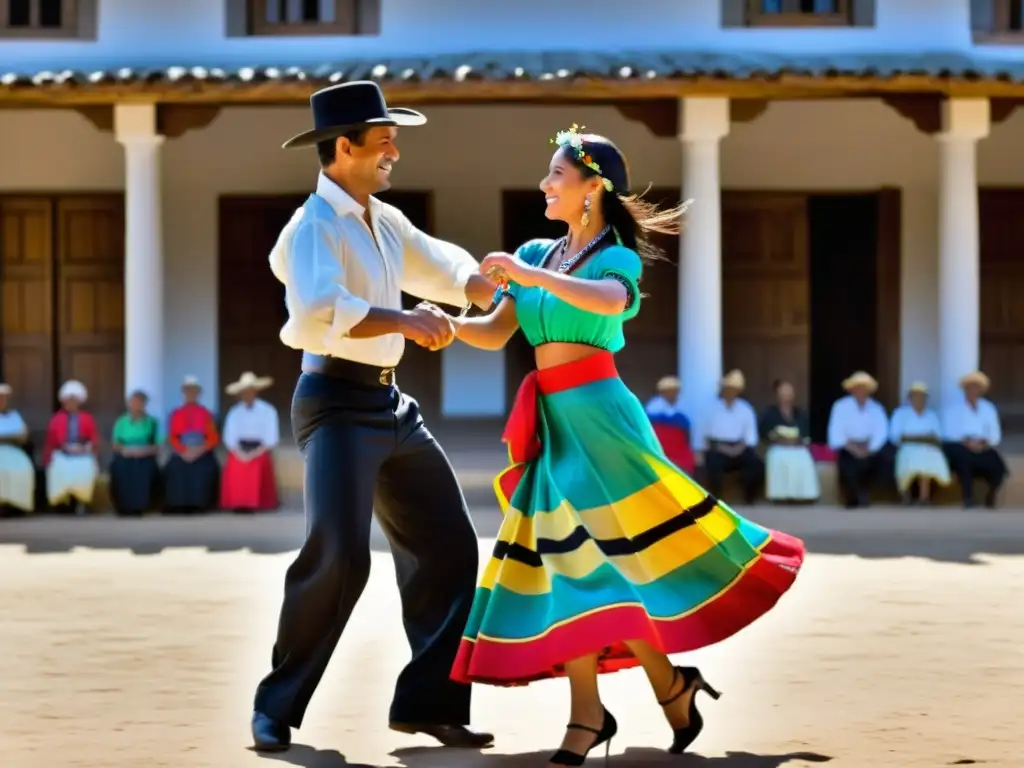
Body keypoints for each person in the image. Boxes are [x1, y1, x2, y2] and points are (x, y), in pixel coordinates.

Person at [448, 125, 805, 766]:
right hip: (554, 424)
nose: (544, 184)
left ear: (592, 188)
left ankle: (609, 709)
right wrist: (437, 325)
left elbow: (610, 305)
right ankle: (644, 694)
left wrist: (527, 273)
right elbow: (495, 331)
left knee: (606, 559)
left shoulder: (615, 259)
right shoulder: (538, 251)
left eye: (556, 174)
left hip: (605, 421)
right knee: (574, 560)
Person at [251, 81, 498, 753]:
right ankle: (276, 705)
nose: (394, 147)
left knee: (449, 546)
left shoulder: (382, 219)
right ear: (343, 146)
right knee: (339, 556)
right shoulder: (311, 227)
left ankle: (428, 703)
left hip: (392, 405)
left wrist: (502, 283)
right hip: (333, 404)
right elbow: (317, 314)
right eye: (382, 136)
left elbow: (441, 267)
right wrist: (407, 321)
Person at [941, 371, 1008, 508]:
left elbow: (994, 433)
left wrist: (985, 443)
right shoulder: (954, 409)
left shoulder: (988, 408)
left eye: (976, 388)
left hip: (982, 445)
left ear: (981, 391)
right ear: (965, 389)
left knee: (998, 465)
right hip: (960, 444)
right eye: (970, 387)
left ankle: (991, 496)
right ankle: (968, 498)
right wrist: (966, 442)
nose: (973, 391)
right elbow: (948, 432)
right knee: (963, 459)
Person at [826, 371, 892, 509]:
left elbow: (881, 432)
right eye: (858, 388)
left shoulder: (876, 408)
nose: (861, 391)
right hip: (848, 447)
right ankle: (854, 497)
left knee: (884, 460)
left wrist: (869, 448)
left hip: (870, 448)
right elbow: (836, 431)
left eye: (864, 388)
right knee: (848, 464)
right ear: (852, 389)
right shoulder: (841, 406)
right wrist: (852, 447)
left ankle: (866, 493)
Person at [699, 369, 764, 504]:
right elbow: (703, 434)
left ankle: (749, 499)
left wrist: (737, 449)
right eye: (727, 388)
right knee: (712, 465)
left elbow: (751, 437)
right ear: (723, 389)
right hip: (718, 448)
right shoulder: (711, 408)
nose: (730, 392)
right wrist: (718, 448)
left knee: (757, 465)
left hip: (740, 447)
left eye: (733, 389)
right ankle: (716, 500)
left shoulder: (746, 409)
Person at [219, 372, 280, 513]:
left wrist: (255, 452)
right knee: (235, 462)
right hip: (239, 448)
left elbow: (271, 437)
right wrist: (240, 452)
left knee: (256, 464)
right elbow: (230, 437)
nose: (247, 394)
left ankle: (256, 503)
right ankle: (238, 503)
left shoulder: (268, 410)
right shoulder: (234, 412)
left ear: (255, 392)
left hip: (260, 448)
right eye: (244, 392)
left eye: (250, 391)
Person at [163, 375, 220, 514]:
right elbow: (172, 437)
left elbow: (213, 438)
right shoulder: (176, 413)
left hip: (201, 450)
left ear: (199, 394)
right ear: (183, 393)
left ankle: (200, 505)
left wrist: (199, 450)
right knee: (173, 468)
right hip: (182, 451)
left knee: (205, 468)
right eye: (188, 391)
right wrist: (183, 451)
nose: (191, 394)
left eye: (194, 391)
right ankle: (177, 505)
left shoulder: (206, 414)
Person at [889, 381, 950, 506]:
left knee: (928, 461)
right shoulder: (900, 414)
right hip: (907, 448)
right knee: (908, 460)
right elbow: (896, 436)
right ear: (910, 398)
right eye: (916, 396)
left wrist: (915, 437)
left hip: (928, 449)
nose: (919, 399)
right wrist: (922, 437)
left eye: (922, 397)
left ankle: (924, 497)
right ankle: (905, 495)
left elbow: (937, 437)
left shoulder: (931, 415)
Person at [43, 379, 100, 514]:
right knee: (59, 468)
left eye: (74, 400)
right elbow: (52, 441)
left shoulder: (87, 418)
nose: (71, 404)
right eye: (68, 400)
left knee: (85, 468)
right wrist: (64, 447)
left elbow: (94, 439)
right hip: (62, 453)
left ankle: (81, 501)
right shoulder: (56, 418)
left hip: (83, 453)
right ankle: (63, 501)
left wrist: (87, 447)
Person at [760, 379, 819, 503]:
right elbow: (765, 432)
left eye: (788, 392)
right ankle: (780, 496)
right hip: (778, 446)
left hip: (797, 447)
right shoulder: (770, 413)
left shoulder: (800, 413)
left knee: (804, 456)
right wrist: (777, 438)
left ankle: (804, 496)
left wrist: (797, 440)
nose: (786, 395)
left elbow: (805, 434)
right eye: (783, 392)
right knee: (778, 456)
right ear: (777, 394)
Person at [109, 390, 162, 517]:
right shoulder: (121, 422)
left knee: (144, 469)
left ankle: (141, 506)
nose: (136, 405)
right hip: (125, 454)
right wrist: (126, 451)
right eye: (134, 402)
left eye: (140, 403)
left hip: (144, 454)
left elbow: (157, 446)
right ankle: (124, 506)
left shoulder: (152, 422)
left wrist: (143, 451)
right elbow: (115, 445)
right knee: (119, 468)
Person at [644, 375, 694, 474]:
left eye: (675, 390)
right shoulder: (653, 404)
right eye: (670, 390)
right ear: (662, 392)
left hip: (679, 445)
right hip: (661, 444)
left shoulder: (683, 403)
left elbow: (687, 425)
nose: (673, 393)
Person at [0, 383, 35, 516]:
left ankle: (16, 505)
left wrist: (6, 437)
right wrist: (11, 436)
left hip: (14, 451)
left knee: (22, 468)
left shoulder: (14, 415)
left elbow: (23, 436)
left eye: (3, 398)